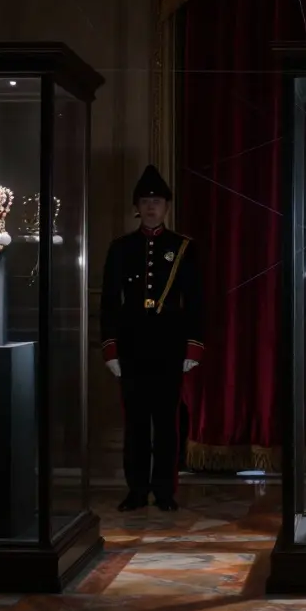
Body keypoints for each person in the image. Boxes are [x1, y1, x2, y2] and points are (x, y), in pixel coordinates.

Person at [100, 165, 203, 512]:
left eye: (157, 201)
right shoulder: (120, 248)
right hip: (132, 346)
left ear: (167, 207)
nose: (150, 207)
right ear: (137, 206)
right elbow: (109, 302)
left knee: (167, 423)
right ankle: (136, 490)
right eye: (145, 201)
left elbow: (197, 302)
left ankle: (165, 491)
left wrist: (193, 345)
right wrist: (110, 348)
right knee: (137, 423)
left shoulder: (183, 248)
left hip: (170, 345)